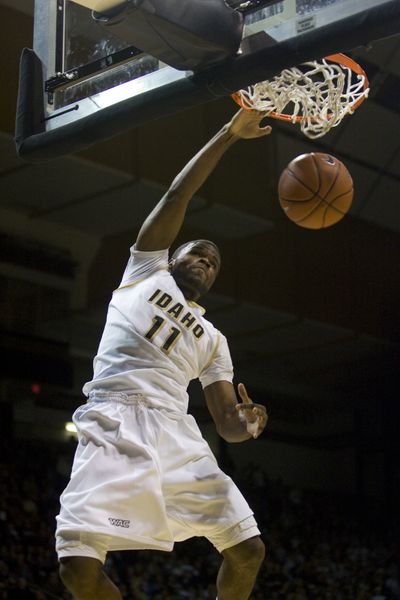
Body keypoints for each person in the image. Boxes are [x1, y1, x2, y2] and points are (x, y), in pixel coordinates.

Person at [56, 108, 270, 600]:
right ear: (172, 257)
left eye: (213, 263)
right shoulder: (144, 271)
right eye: (197, 252)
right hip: (113, 421)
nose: (206, 262)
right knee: (76, 570)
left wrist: (250, 423)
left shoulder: (214, 339)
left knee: (248, 550)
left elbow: (228, 428)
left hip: (176, 432)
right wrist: (228, 134)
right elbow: (179, 193)